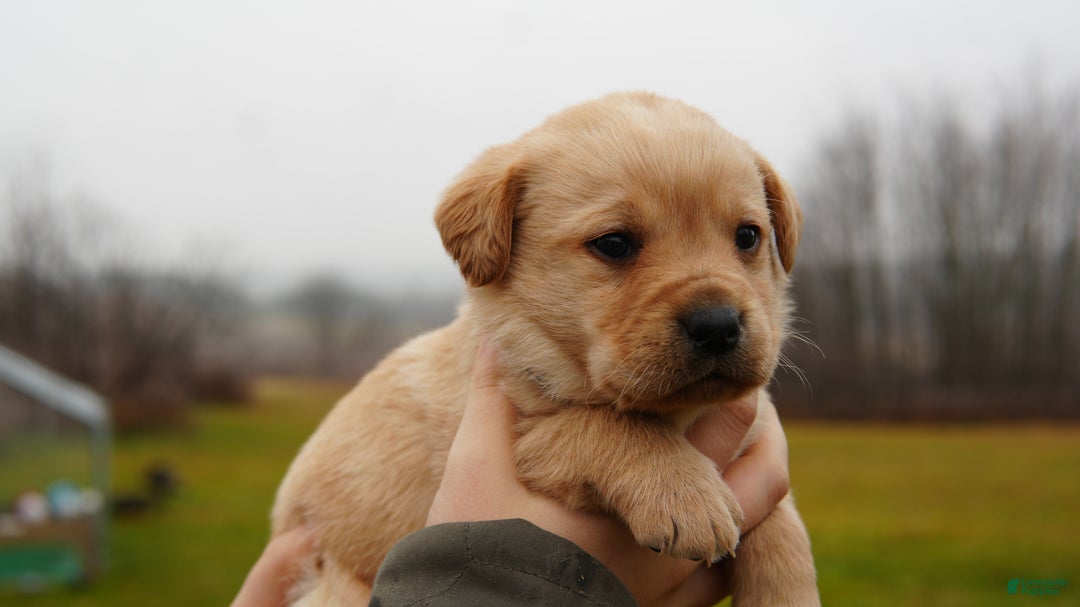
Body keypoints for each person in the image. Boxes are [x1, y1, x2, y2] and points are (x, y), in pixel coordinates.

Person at [232, 342, 791, 606]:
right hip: (346, 579)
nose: (715, 308)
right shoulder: (512, 358)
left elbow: (752, 480)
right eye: (616, 246)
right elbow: (532, 442)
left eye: (745, 238)